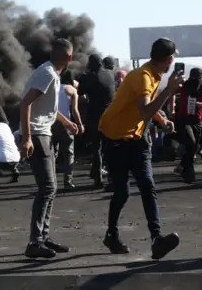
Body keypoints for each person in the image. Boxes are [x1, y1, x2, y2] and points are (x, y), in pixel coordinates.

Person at [99, 37, 182, 259]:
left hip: (136, 138)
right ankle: (112, 234)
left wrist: (163, 121)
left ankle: (157, 239)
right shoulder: (143, 78)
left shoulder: (153, 75)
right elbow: (145, 110)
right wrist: (169, 92)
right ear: (168, 59)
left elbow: (146, 109)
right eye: (173, 58)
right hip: (115, 138)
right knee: (122, 192)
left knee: (147, 185)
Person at [18, 38, 78, 259]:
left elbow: (47, 107)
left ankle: (43, 237)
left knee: (50, 189)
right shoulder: (48, 74)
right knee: (48, 188)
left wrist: (65, 122)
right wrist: (27, 138)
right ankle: (35, 241)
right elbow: (26, 103)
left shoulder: (50, 72)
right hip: (37, 134)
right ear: (70, 57)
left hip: (44, 132)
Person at [78, 54, 116, 187]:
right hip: (110, 116)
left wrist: (83, 76)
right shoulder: (111, 74)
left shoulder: (91, 76)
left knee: (97, 149)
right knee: (110, 149)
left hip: (95, 117)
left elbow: (80, 91)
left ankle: (98, 179)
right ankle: (112, 178)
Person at [52, 71, 84, 189]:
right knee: (69, 154)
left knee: (52, 153)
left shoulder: (53, 87)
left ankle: (51, 182)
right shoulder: (71, 90)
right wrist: (80, 125)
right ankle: (68, 181)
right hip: (66, 124)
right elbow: (75, 110)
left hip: (52, 123)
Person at [170, 67, 202, 182]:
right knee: (192, 144)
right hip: (183, 119)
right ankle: (185, 168)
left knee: (194, 147)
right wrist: (172, 108)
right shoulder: (184, 86)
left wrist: (200, 104)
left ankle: (186, 170)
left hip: (197, 120)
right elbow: (172, 92)